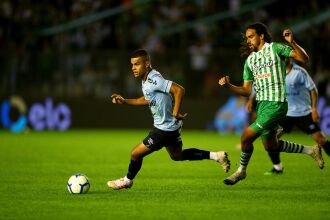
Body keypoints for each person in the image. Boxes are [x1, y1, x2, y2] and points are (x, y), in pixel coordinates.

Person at [218, 22, 324, 185]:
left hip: (276, 104)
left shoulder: (275, 48)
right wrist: (228, 86)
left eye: (251, 36)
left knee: (246, 137)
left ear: (261, 36)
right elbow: (246, 90)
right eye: (246, 38)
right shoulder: (250, 61)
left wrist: (292, 42)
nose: (248, 41)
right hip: (262, 106)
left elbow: (304, 59)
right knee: (270, 145)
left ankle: (241, 171)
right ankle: (311, 150)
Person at [107, 49, 230, 190]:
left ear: (147, 64)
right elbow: (147, 99)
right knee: (177, 155)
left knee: (135, 154)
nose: (133, 68)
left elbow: (179, 90)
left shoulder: (154, 80)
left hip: (164, 130)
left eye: (137, 64)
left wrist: (176, 112)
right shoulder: (146, 79)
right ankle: (216, 156)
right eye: (132, 65)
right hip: (172, 127)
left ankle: (127, 181)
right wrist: (126, 101)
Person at [246, 59, 330, 175]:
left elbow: (313, 89)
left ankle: (315, 151)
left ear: (287, 59)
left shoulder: (299, 72)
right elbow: (262, 86)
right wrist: (251, 99)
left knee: (320, 139)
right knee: (270, 140)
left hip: (303, 112)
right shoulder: (274, 72)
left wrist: (314, 109)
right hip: (285, 113)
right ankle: (277, 167)